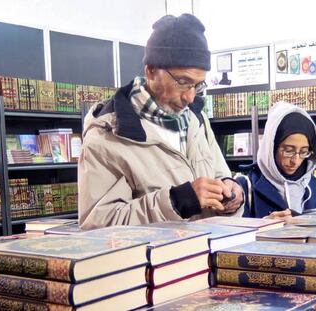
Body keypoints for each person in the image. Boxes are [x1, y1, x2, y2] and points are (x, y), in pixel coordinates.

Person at [78, 13, 244, 229]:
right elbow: (98, 225)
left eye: (198, 85)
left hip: (205, 257)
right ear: (150, 71)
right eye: (182, 82)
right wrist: (177, 202)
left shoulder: (197, 120)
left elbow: (220, 176)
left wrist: (230, 193)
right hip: (155, 263)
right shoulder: (106, 137)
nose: (190, 97)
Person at [235, 101, 316, 220]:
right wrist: (265, 225)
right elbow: (232, 235)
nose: (296, 161)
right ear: (272, 147)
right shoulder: (244, 186)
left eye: (304, 152)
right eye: (288, 150)